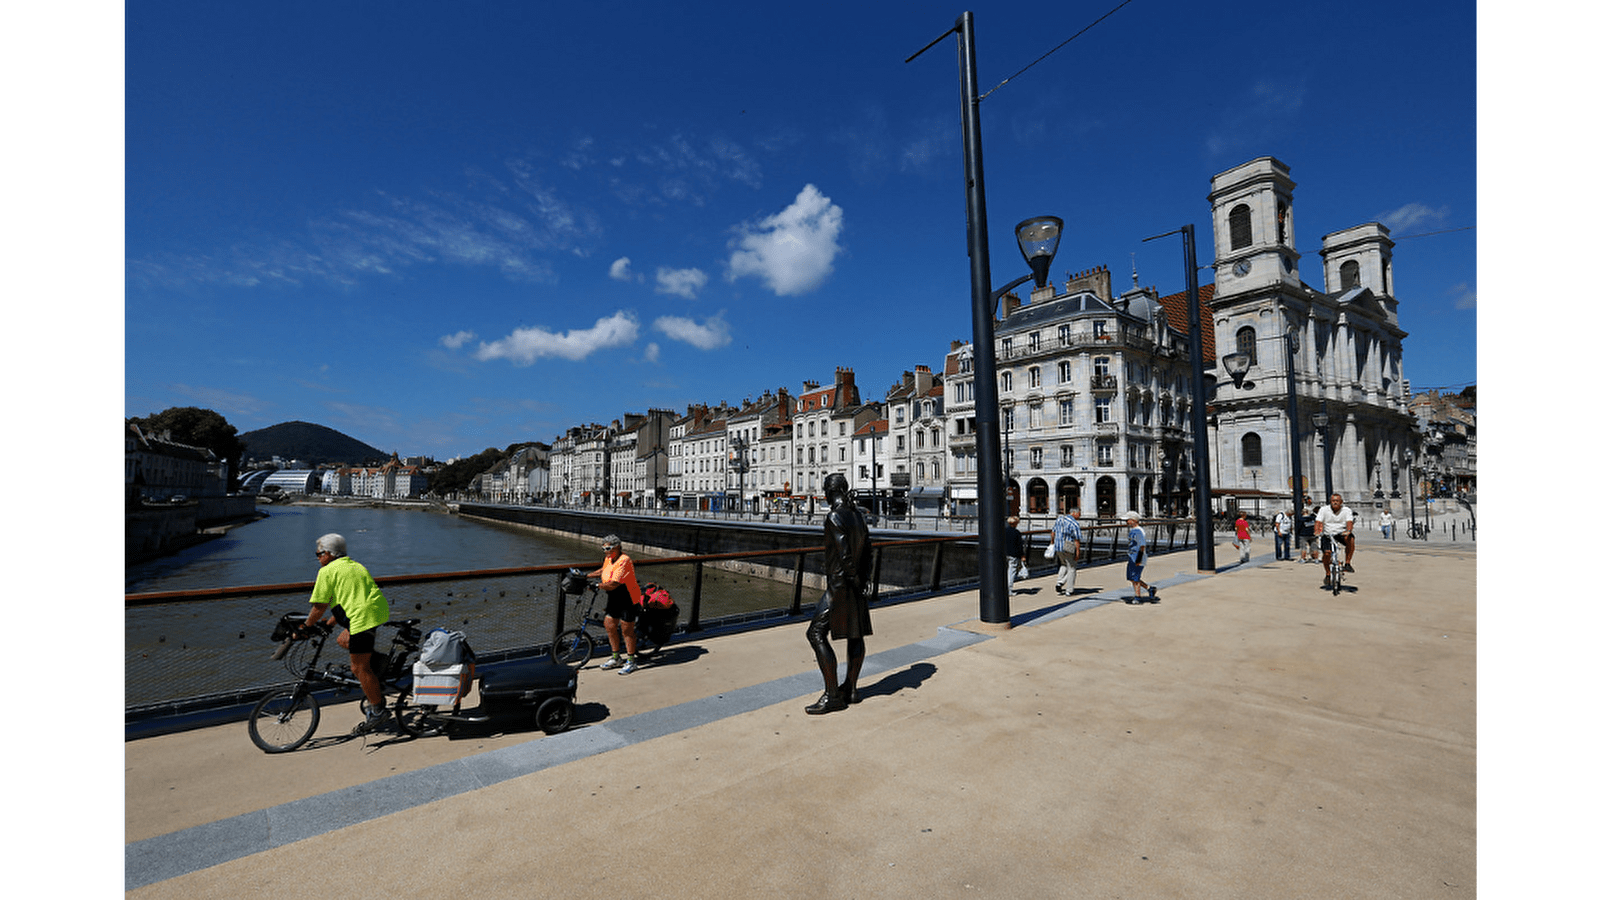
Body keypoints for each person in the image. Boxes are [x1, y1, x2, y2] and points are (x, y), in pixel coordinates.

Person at [303, 533, 392, 734]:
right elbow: (349, 598)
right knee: (343, 639)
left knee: (358, 668)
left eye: (319, 554)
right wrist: (330, 623)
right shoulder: (356, 566)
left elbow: (319, 606)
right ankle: (379, 663)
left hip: (362, 617)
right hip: (375, 611)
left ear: (329, 554)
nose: (317, 558)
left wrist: (306, 627)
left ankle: (378, 710)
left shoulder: (327, 572)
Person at [805, 473, 871, 714]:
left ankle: (832, 694)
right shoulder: (858, 515)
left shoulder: (834, 516)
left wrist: (852, 579)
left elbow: (844, 554)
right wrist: (865, 579)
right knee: (856, 635)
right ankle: (851, 690)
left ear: (828, 492)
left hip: (840, 585)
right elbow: (868, 550)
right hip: (857, 583)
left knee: (815, 633)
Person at [588, 534, 645, 674]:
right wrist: (586, 576)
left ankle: (631, 662)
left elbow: (613, 584)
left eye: (608, 548)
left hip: (628, 597)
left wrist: (598, 586)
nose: (605, 551)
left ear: (618, 547)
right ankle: (616, 658)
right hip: (614, 597)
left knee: (627, 629)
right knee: (610, 625)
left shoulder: (624, 560)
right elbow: (604, 571)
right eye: (603, 548)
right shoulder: (609, 558)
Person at [1314, 494, 1357, 587]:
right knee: (1327, 553)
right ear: (1330, 501)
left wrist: (1348, 531)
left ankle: (1348, 563)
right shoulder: (1324, 509)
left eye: (1337, 500)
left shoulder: (1346, 510)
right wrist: (1317, 531)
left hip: (1341, 533)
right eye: (1333, 500)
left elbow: (1349, 522)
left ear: (1341, 502)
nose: (1335, 502)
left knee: (1350, 539)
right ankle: (1328, 574)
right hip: (1327, 534)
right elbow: (1318, 522)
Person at [1123, 511, 1157, 605]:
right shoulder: (1134, 530)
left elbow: (1142, 545)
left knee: (1136, 577)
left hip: (1137, 556)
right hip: (1132, 555)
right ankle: (1150, 589)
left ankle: (1138, 597)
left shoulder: (1138, 531)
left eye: (1128, 520)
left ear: (1133, 520)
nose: (1126, 522)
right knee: (1131, 577)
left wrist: (1139, 558)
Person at [1051, 506, 1083, 595]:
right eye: (1079, 514)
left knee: (1063, 564)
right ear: (1074, 513)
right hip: (1068, 547)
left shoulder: (1059, 519)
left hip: (1058, 546)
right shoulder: (1074, 524)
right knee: (1072, 568)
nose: (1080, 516)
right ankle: (1069, 590)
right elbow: (1077, 540)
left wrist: (1052, 543)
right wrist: (1078, 552)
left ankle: (1059, 582)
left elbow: (1053, 532)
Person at [1004, 516, 1026, 596]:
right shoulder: (1016, 532)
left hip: (1004, 553)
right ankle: (1009, 589)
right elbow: (1019, 545)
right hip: (1013, 554)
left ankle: (1003, 588)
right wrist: (1022, 555)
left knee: (1004, 571)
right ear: (1015, 523)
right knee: (1011, 571)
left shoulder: (1004, 531)